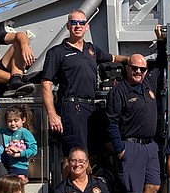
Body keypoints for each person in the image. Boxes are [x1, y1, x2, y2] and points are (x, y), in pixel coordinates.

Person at [40, 10, 129, 154]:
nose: (78, 26)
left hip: (92, 107)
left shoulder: (91, 49)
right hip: (71, 108)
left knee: (99, 149)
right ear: (68, 26)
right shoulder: (56, 52)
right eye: (74, 22)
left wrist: (129, 60)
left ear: (86, 26)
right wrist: (52, 114)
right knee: (75, 154)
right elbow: (46, 83)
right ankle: (69, 177)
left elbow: (112, 58)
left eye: (82, 23)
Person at [106, 54, 161, 193]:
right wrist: (120, 149)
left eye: (142, 69)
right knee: (132, 192)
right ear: (127, 68)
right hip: (130, 146)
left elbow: (159, 64)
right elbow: (111, 123)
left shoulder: (148, 84)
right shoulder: (118, 91)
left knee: (153, 186)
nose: (138, 71)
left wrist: (160, 41)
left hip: (150, 147)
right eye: (134, 68)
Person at [1, 104, 38, 181]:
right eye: (9, 121)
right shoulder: (5, 132)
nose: (13, 124)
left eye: (16, 120)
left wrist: (19, 154)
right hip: (6, 166)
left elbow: (34, 150)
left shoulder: (25, 132)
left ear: (23, 120)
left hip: (19, 167)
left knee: (16, 190)